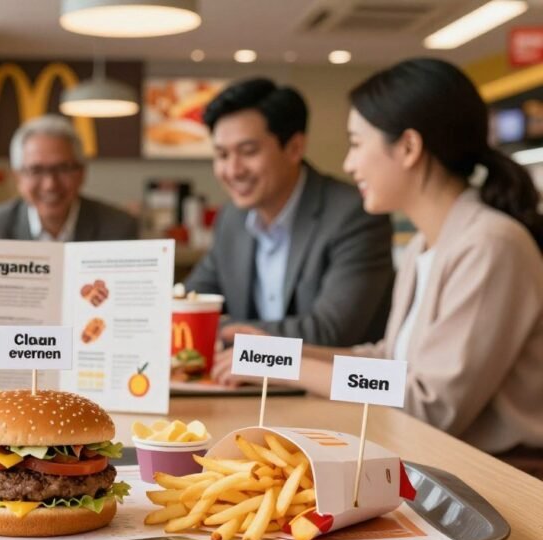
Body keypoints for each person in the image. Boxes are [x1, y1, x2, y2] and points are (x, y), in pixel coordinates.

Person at [218, 59, 543, 458]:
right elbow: (390, 363)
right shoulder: (425, 246)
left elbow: (429, 405)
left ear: (408, 147)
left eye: (356, 143)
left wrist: (281, 366)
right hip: (437, 463)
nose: (349, 164)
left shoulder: (490, 245)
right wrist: (279, 352)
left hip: (503, 479)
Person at [183, 78, 395, 347]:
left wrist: (223, 331)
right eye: (222, 155)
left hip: (333, 386)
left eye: (248, 152)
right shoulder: (232, 219)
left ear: (294, 148)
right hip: (250, 384)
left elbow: (330, 332)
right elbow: (190, 301)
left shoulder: (353, 214)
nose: (233, 170)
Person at [0, 114, 138, 241]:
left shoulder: (119, 228)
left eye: (63, 168)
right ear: (18, 177)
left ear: (82, 173)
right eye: (36, 170)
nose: (50, 184)